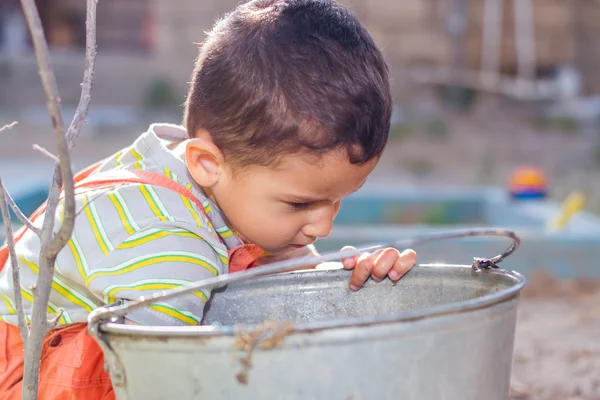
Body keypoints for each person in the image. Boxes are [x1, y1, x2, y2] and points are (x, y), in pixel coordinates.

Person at [0, 0, 417, 398]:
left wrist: (347, 284)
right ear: (206, 163)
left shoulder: (218, 174)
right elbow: (162, 385)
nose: (323, 226)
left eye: (340, 199)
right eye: (300, 205)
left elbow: (287, 285)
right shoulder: (168, 248)